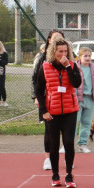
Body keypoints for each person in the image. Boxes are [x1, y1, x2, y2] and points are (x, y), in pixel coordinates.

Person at [34, 37, 82, 188]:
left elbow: (77, 83)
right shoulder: (45, 67)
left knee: (68, 142)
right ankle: (55, 175)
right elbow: (39, 90)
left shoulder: (72, 65)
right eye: (60, 51)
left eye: (65, 52)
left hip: (70, 111)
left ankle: (69, 175)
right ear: (53, 52)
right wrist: (43, 111)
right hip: (52, 112)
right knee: (54, 144)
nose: (63, 54)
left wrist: (68, 67)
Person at [32, 30, 65, 170]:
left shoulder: (68, 56)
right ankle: (47, 158)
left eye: (60, 38)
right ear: (49, 40)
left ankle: (65, 158)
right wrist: (35, 97)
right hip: (48, 98)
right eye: (55, 38)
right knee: (49, 129)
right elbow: (35, 79)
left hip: (64, 99)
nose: (58, 40)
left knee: (66, 130)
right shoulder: (42, 58)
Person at [74, 48, 94, 153]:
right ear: (80, 56)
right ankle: (67, 144)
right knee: (74, 122)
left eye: (89, 56)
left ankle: (82, 144)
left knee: (86, 123)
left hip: (89, 99)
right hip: (77, 99)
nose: (87, 58)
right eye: (85, 56)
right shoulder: (74, 68)